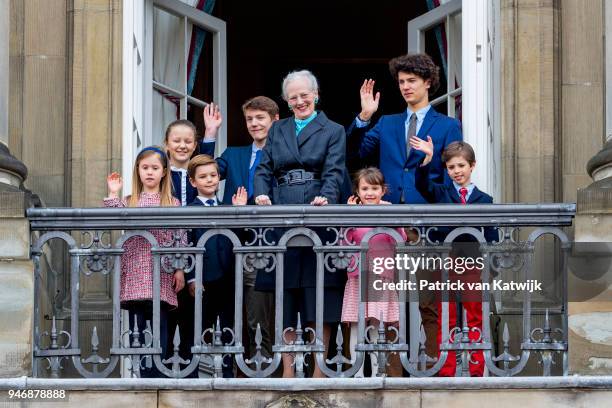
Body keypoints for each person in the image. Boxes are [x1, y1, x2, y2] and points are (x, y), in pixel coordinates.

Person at [347, 53, 463, 360]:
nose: (406, 87)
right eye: (401, 82)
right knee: (387, 300)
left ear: (428, 83)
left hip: (425, 223)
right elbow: (356, 153)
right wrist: (364, 117)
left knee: (425, 300)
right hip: (385, 225)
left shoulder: (448, 125)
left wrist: (430, 159)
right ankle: (392, 365)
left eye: (412, 81)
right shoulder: (387, 122)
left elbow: (452, 175)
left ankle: (432, 366)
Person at [254, 69, 346, 378]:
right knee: (285, 295)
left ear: (316, 95)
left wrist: (327, 198)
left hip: (318, 215)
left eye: (304, 95)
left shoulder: (333, 129)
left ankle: (320, 368)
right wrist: (261, 195)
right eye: (293, 97)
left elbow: (335, 171)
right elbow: (263, 167)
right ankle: (288, 370)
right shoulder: (278, 129)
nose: (299, 101)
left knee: (319, 296)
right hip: (281, 213)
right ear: (286, 100)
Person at [411, 138, 495, 377]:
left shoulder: (485, 200)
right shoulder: (440, 192)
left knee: (474, 314)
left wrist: (491, 266)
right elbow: (422, 184)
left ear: (472, 166)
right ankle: (445, 370)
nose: (456, 171)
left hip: (472, 264)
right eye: (451, 167)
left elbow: (491, 235)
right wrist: (427, 159)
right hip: (444, 263)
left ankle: (478, 370)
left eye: (461, 166)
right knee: (445, 316)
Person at [104, 146, 186, 378]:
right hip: (135, 270)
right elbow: (112, 218)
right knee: (137, 326)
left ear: (164, 172)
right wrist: (113, 193)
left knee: (160, 325)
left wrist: (179, 269)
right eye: (145, 167)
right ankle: (141, 371)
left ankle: (158, 372)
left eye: (155, 168)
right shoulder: (130, 201)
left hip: (161, 270)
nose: (149, 172)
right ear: (138, 171)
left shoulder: (173, 202)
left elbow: (180, 236)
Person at [185, 154, 248, 377]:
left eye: (213, 175)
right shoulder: (188, 210)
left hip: (228, 278)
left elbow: (238, 240)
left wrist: (238, 213)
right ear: (193, 182)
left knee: (229, 326)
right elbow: (188, 244)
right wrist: (192, 277)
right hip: (203, 279)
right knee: (199, 327)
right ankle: (194, 375)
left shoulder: (226, 207)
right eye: (203, 177)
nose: (209, 180)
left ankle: (228, 374)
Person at [342, 167, 407, 377]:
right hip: (358, 278)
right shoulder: (352, 214)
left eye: (374, 188)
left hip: (380, 277)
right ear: (358, 191)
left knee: (377, 328)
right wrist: (349, 217)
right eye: (365, 188)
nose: (370, 193)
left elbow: (401, 239)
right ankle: (358, 373)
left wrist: (391, 215)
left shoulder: (388, 212)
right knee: (356, 328)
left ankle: (378, 371)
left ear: (383, 190)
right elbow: (343, 244)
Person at [165, 119, 215, 207]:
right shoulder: (161, 173)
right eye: (176, 141)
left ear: (195, 146)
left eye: (188, 142)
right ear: (167, 144)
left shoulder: (199, 173)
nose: (183, 146)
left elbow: (206, 162)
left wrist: (210, 132)